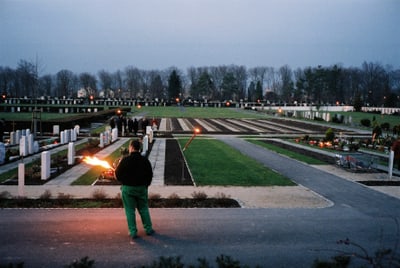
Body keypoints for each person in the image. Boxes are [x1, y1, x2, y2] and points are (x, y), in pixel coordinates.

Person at [115, 139, 155, 243]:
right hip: (142, 188)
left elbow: (118, 176)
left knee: (130, 210)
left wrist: (122, 178)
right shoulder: (145, 160)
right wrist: (146, 185)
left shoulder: (125, 160)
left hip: (128, 188)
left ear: (131, 148)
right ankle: (148, 229)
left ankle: (133, 231)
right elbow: (150, 175)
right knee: (143, 209)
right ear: (139, 148)